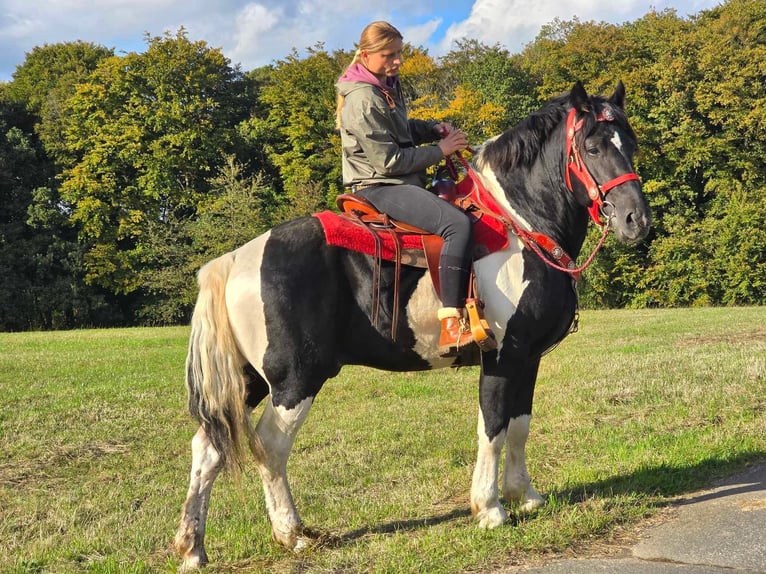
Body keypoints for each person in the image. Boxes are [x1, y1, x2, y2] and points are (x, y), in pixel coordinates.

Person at [335, 20, 486, 357]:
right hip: (378, 186)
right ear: (366, 55)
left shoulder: (384, 85)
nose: (397, 61)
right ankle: (451, 324)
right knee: (456, 224)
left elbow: (401, 131)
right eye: (389, 55)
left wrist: (432, 129)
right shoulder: (363, 99)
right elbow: (388, 162)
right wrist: (441, 151)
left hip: (396, 179)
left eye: (399, 53)